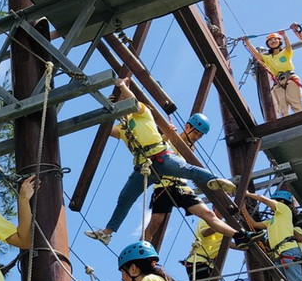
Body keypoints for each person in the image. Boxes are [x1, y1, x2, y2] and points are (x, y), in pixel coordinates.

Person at [87, 80, 251, 247]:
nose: (197, 137)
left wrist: (122, 86)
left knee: (197, 190)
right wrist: (108, 108)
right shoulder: (123, 129)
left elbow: (134, 102)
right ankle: (109, 233)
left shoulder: (142, 112)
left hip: (161, 160)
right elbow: (105, 129)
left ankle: (234, 223)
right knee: (126, 199)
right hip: (147, 169)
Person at [142, 113, 244, 247]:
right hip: (164, 185)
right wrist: (168, 134)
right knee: (155, 222)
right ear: (187, 126)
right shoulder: (171, 138)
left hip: (181, 187)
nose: (196, 137)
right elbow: (157, 148)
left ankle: (239, 235)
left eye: (200, 136)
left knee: (207, 213)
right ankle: (142, 250)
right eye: (195, 133)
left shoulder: (191, 149)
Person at [242, 32, 302, 118]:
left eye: (275, 39)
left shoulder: (286, 52)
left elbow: (288, 46)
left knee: (294, 100)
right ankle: (287, 122)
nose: (273, 41)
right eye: (270, 40)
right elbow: (256, 54)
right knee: (282, 105)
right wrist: (247, 42)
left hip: (290, 77)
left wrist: (284, 35)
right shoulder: (268, 58)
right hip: (278, 82)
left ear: (280, 41)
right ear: (268, 44)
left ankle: (301, 117)